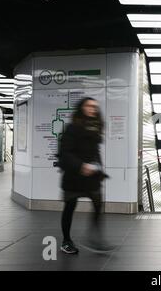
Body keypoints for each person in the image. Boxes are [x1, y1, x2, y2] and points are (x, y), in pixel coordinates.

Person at [57, 97, 111, 254]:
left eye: (95, 106)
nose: (92, 108)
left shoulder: (94, 128)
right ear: (81, 108)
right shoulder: (72, 128)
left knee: (98, 204)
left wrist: (99, 168)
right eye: (89, 106)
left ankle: (95, 238)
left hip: (91, 176)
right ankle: (66, 241)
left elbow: (95, 151)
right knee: (70, 206)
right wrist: (81, 166)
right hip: (74, 176)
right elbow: (65, 153)